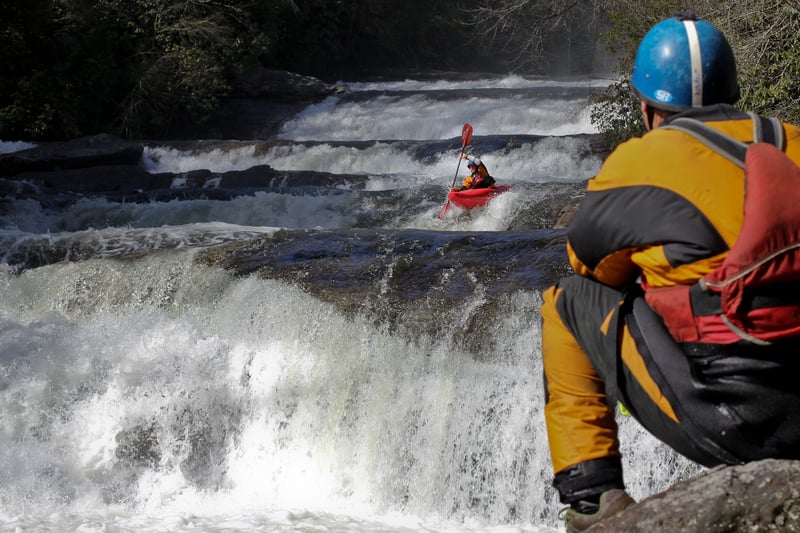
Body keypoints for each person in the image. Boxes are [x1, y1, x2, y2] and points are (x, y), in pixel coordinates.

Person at [540, 13, 800, 532]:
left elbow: (588, 265)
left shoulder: (637, 160)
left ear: (645, 107)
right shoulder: (791, 138)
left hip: (730, 420)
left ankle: (592, 500)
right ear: (733, 88)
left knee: (566, 301)